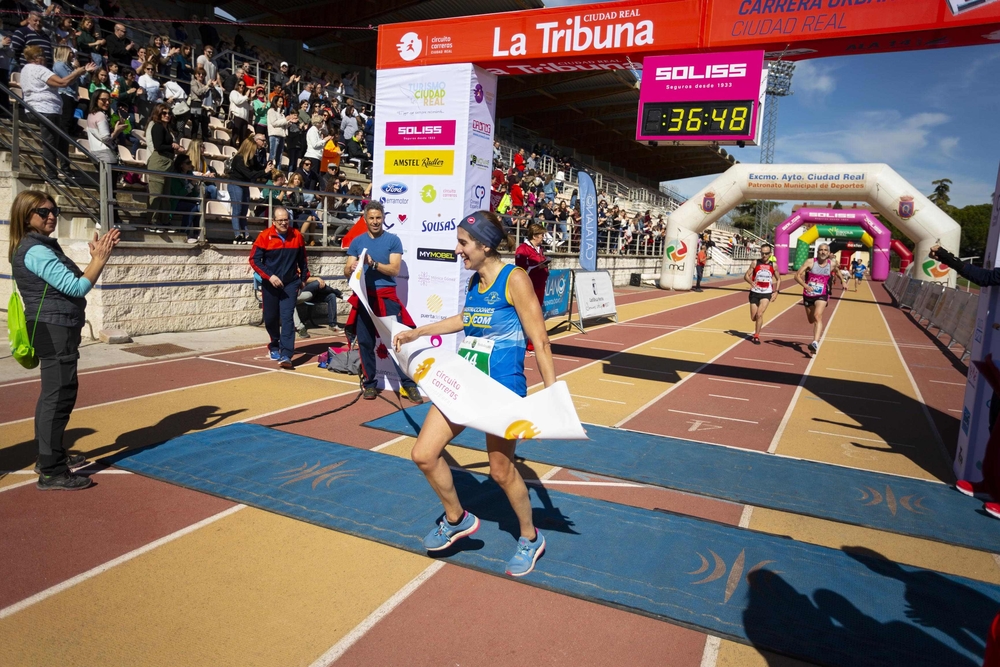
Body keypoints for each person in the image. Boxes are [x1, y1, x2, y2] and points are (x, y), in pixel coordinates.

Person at [392, 210, 553, 577]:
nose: (458, 249)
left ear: (484, 245)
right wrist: (419, 331)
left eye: (464, 243)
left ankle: (530, 537)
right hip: (466, 382)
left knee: (500, 471)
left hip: (501, 389)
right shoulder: (474, 283)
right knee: (424, 454)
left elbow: (540, 340)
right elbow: (467, 320)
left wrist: (551, 395)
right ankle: (457, 518)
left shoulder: (515, 279)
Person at [9, 190, 120, 490]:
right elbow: (76, 287)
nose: (51, 216)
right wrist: (100, 259)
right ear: (26, 216)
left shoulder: (40, 246)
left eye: (53, 210)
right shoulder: (35, 250)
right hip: (52, 327)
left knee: (54, 395)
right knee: (58, 397)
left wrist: (94, 258)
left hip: (54, 326)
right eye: (42, 212)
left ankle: (50, 456)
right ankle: (51, 470)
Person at [344, 201, 423, 402]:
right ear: (365, 219)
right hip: (364, 297)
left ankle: (408, 384)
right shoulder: (356, 242)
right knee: (365, 342)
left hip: (386, 296)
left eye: (378, 218)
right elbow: (346, 272)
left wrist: (374, 264)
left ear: (384, 218)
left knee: (397, 342)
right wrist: (351, 268)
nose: (375, 221)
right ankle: (369, 384)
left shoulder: (393, 240)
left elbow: (394, 270)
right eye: (371, 218)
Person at [20, 46, 96, 181]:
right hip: (46, 109)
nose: (45, 59)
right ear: (37, 58)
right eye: (42, 56)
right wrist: (79, 71)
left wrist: (79, 73)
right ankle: (52, 176)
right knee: (50, 144)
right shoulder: (39, 69)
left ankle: (58, 171)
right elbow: (62, 82)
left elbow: (66, 83)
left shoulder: (26, 69)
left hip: (40, 108)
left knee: (57, 141)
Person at [249, 206, 307, 368]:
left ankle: (286, 354)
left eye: (286, 219)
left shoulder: (296, 236)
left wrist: (303, 279)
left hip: (290, 284)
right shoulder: (264, 237)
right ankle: (274, 344)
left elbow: (303, 260)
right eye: (280, 220)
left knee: (287, 318)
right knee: (271, 317)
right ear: (273, 221)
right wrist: (270, 276)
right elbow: (254, 260)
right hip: (270, 285)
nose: (283, 223)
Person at [795, 243, 843, 353]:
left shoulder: (832, 264)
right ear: (818, 252)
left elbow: (837, 271)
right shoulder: (810, 262)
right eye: (821, 250)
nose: (823, 252)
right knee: (811, 320)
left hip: (822, 294)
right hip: (808, 294)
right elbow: (796, 276)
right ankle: (815, 340)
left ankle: (815, 342)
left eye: (825, 250)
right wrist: (806, 286)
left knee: (818, 316)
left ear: (828, 252)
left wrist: (843, 281)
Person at [146, 103, 184, 231]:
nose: (167, 115)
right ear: (158, 114)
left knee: (165, 195)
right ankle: (152, 222)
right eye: (164, 113)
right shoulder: (157, 127)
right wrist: (173, 146)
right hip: (159, 163)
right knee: (156, 194)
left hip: (167, 163)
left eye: (169, 113)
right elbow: (158, 146)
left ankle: (164, 221)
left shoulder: (167, 128)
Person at [229, 136, 273, 244]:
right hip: (235, 184)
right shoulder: (239, 158)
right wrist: (265, 171)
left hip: (244, 185)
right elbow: (250, 174)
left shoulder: (251, 159)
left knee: (244, 211)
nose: (255, 151)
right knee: (237, 211)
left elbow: (259, 169)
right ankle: (237, 235)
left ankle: (246, 234)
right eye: (253, 149)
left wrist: (267, 168)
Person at [514, 223, 550, 353]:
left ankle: (533, 341)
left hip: (540, 285)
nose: (543, 238)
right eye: (541, 235)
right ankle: (527, 344)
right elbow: (521, 269)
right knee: (529, 314)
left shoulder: (539, 248)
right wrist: (538, 267)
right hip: (529, 286)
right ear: (534, 236)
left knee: (537, 314)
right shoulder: (523, 249)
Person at [744, 243, 780, 345]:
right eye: (762, 253)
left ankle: (756, 336)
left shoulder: (774, 265)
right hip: (754, 293)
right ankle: (757, 325)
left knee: (760, 314)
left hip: (766, 293)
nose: (764, 255)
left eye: (766, 253)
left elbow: (779, 279)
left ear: (770, 253)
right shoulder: (755, 263)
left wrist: (776, 291)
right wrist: (751, 282)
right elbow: (746, 275)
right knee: (753, 318)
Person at [85, 89, 125, 165]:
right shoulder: (101, 115)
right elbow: (106, 138)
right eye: (103, 100)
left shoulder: (91, 114)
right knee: (110, 177)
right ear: (96, 100)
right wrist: (117, 131)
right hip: (105, 154)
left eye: (109, 100)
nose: (107, 103)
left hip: (95, 151)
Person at [266, 96, 295, 168]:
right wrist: (285, 120)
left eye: (282, 102)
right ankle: (270, 172)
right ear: (275, 102)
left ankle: (278, 172)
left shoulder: (281, 113)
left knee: (280, 156)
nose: (281, 103)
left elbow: (283, 124)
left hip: (282, 135)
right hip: (274, 135)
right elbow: (274, 123)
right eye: (280, 102)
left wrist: (290, 122)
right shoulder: (271, 111)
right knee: (272, 155)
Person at [229, 79, 251, 147]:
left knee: (243, 139)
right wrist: (246, 97)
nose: (242, 86)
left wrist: (251, 99)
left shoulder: (245, 97)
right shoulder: (234, 92)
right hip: (237, 116)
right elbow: (237, 101)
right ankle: (231, 149)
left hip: (245, 119)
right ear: (237, 85)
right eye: (240, 85)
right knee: (235, 135)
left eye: (243, 85)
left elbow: (250, 108)